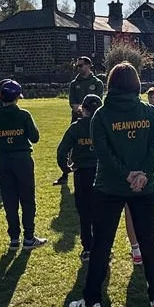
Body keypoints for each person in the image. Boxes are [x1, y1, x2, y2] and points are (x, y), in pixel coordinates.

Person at [68, 62, 154, 307]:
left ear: (110, 84)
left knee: (101, 243)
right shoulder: (149, 112)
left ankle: (92, 301)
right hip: (144, 187)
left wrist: (127, 173)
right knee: (149, 240)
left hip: (109, 187)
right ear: (136, 84)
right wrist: (142, 172)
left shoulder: (101, 115)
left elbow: (102, 152)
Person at [0, 78, 46, 249]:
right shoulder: (24, 115)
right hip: (22, 160)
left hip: (3, 160)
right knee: (27, 199)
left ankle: (14, 238)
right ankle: (29, 237)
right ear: (17, 97)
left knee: (9, 199)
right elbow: (35, 137)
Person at [55, 93, 100, 260]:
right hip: (102, 173)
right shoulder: (103, 126)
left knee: (85, 212)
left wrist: (65, 168)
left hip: (81, 173)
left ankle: (88, 247)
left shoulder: (76, 127)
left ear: (83, 109)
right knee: (102, 213)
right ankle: (103, 248)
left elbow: (62, 151)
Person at [57, 57, 103, 185]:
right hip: (77, 117)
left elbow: (98, 101)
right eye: (77, 66)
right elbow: (72, 101)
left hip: (93, 118)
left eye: (81, 65)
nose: (78, 68)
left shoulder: (97, 83)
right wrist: (77, 108)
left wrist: (87, 109)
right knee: (72, 144)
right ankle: (66, 172)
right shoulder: (74, 83)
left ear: (88, 65)